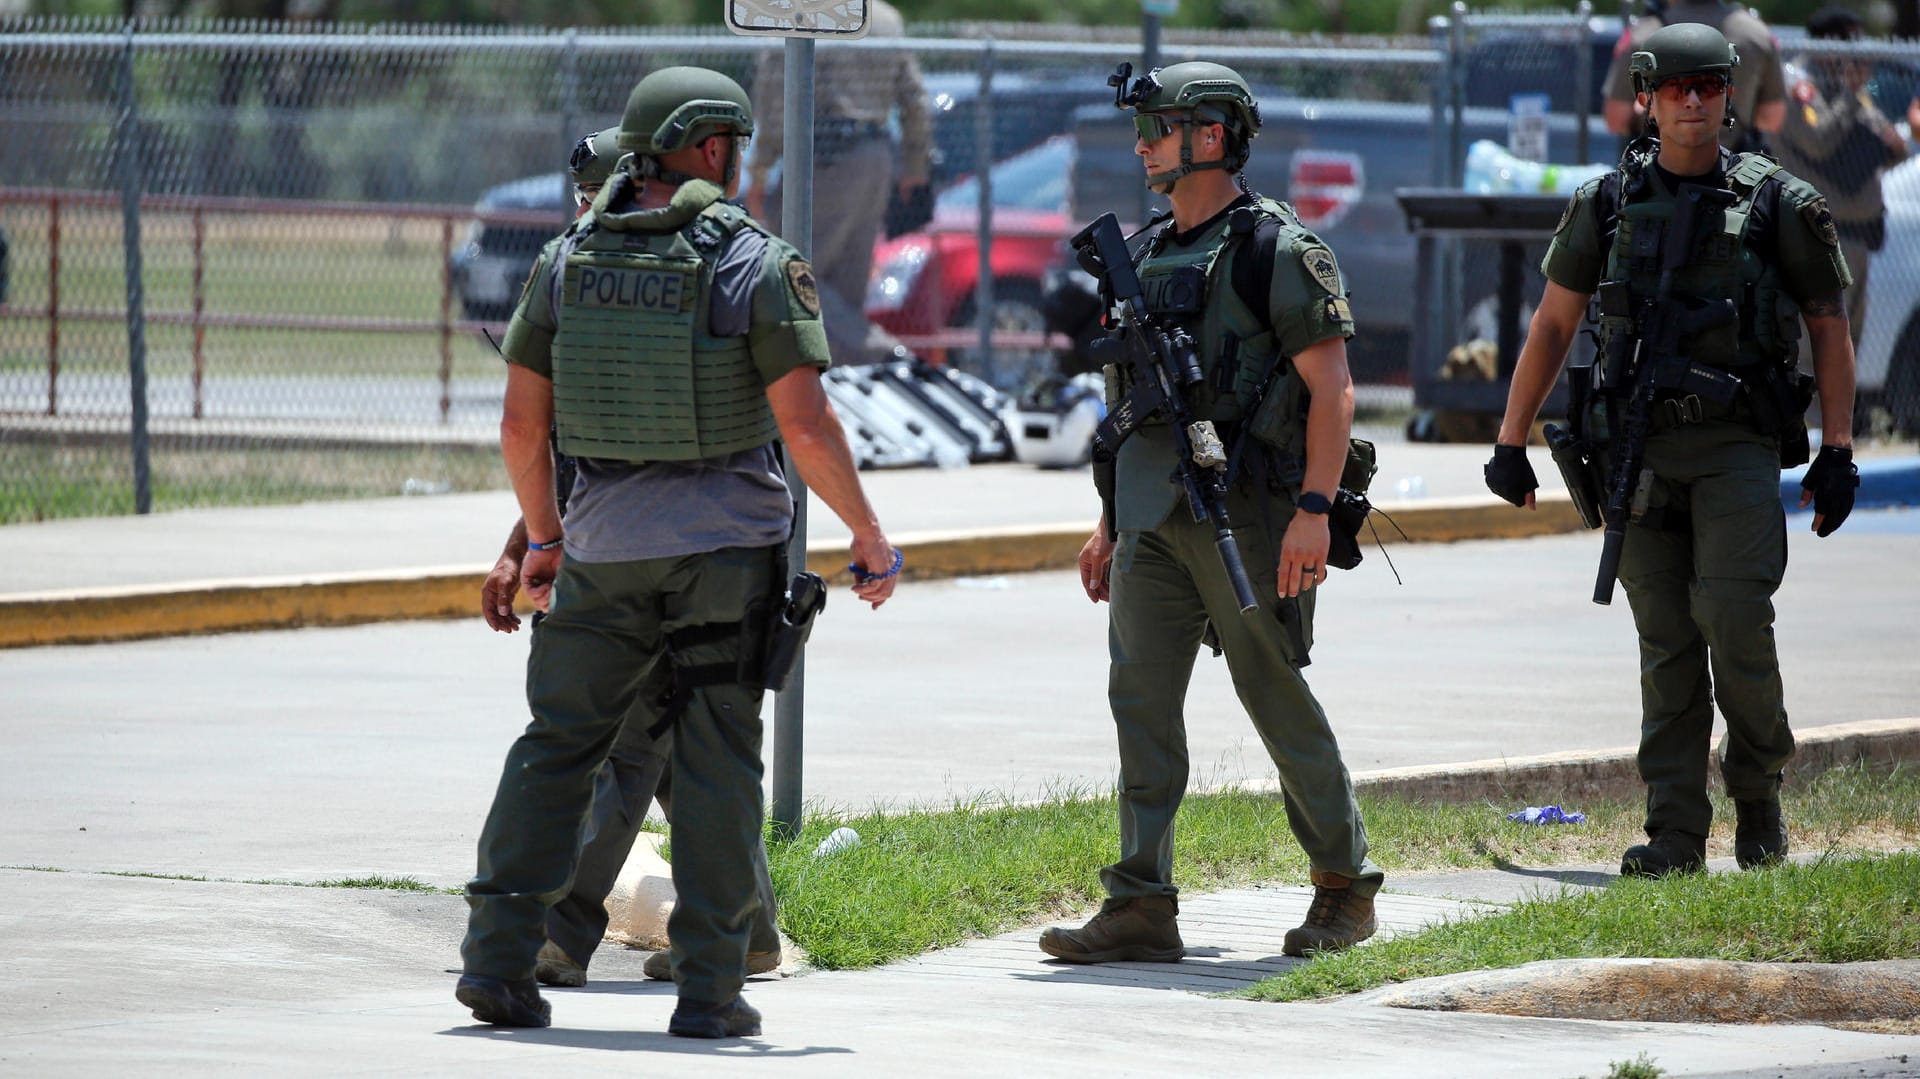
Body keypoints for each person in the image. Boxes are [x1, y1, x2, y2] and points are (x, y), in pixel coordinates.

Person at [456, 66, 901, 1039]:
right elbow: (809, 425)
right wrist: (866, 533)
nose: (739, 162)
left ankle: (496, 959)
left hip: (601, 549)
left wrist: (542, 539)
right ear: (708, 146)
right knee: (713, 761)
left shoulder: (567, 257)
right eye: (733, 145)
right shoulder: (750, 259)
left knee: (556, 747)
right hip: (724, 556)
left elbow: (521, 425)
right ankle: (709, 987)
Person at [1484, 23, 1859, 880]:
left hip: (1735, 445)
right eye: (1676, 87)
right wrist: (1510, 440)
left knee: (1732, 617)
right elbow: (1553, 323)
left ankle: (1758, 791)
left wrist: (1837, 449)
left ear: (1730, 95)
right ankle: (1675, 833)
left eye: (1710, 85)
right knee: (1665, 642)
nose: (1694, 101)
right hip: (1636, 452)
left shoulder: (1778, 205)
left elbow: (1827, 328)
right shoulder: (1605, 204)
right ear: (1645, 98)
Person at [1039, 61, 1384, 967]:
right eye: (1146, 125)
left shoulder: (1278, 249)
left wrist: (1314, 509)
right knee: (1140, 701)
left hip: (1254, 517)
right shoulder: (1145, 252)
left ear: (1216, 136)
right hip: (1153, 518)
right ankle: (1141, 903)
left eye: (1162, 124)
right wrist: (1109, 522)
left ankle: (1346, 886)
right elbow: (1123, 412)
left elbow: (1334, 393)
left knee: (1271, 689)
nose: (1144, 141)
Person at [478, 125, 783, 994]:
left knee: (617, 751)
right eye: (579, 195)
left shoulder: (689, 278)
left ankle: (553, 932)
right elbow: (568, 451)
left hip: (663, 562)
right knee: (683, 757)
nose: (584, 209)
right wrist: (520, 548)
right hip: (621, 551)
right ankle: (747, 929)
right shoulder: (593, 270)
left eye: (597, 191)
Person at [747, 0, 931, 359]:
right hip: (876, 155)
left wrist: (759, 170)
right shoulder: (886, 18)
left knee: (787, 273)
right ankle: (847, 382)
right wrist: (914, 166)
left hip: (822, 157)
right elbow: (915, 100)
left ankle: (876, 352)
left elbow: (775, 98)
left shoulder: (800, 10)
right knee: (846, 288)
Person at [1771, 5, 1920, 346]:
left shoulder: (1846, 89)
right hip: (1818, 235)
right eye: (1851, 44)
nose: (1859, 55)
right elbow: (1819, 141)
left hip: (1858, 237)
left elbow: (1893, 146)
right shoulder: (1798, 84)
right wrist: (1851, 97)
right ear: (1830, 44)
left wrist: (1854, 98)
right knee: (1815, 350)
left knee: (1848, 346)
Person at [1603, 0, 1786, 154]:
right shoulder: (1757, 34)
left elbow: (1616, 118)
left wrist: (1657, 109)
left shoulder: (1644, 34)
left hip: (1659, 175)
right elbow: (1772, 118)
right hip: (1736, 177)